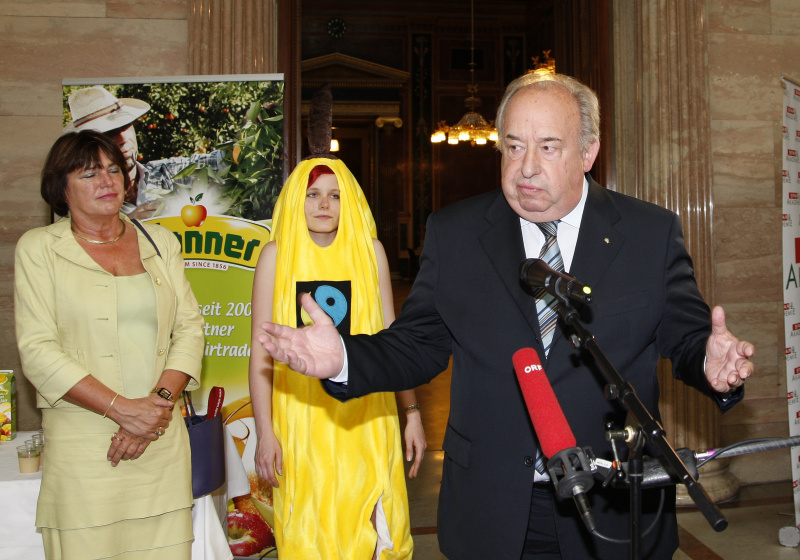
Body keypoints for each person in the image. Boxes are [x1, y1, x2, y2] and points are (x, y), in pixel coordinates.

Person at [255, 72, 755, 560]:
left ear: (588, 152)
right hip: (493, 506)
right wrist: (344, 357)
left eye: (548, 147)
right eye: (513, 147)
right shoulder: (456, 233)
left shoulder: (649, 233)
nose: (526, 167)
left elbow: (686, 337)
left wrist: (710, 363)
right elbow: (417, 345)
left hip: (614, 502)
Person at [14, 130, 205, 559]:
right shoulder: (39, 248)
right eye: (89, 173)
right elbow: (38, 350)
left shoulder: (161, 242)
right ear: (60, 188)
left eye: (113, 170)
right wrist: (122, 410)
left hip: (159, 441)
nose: (107, 181)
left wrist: (155, 409)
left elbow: (190, 328)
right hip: (85, 451)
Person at [248, 158, 425, 559]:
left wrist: (412, 413)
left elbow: (393, 343)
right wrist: (265, 432)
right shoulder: (275, 255)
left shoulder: (371, 252)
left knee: (378, 528)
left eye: (334, 195)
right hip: (300, 422)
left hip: (368, 417)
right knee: (307, 532)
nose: (324, 204)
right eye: (312, 194)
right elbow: (260, 353)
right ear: (297, 200)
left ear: (350, 202)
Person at [64, 85, 222, 219]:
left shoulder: (165, 174)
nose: (123, 138)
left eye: (125, 125)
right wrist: (126, 227)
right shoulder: (88, 205)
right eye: (110, 133)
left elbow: (220, 162)